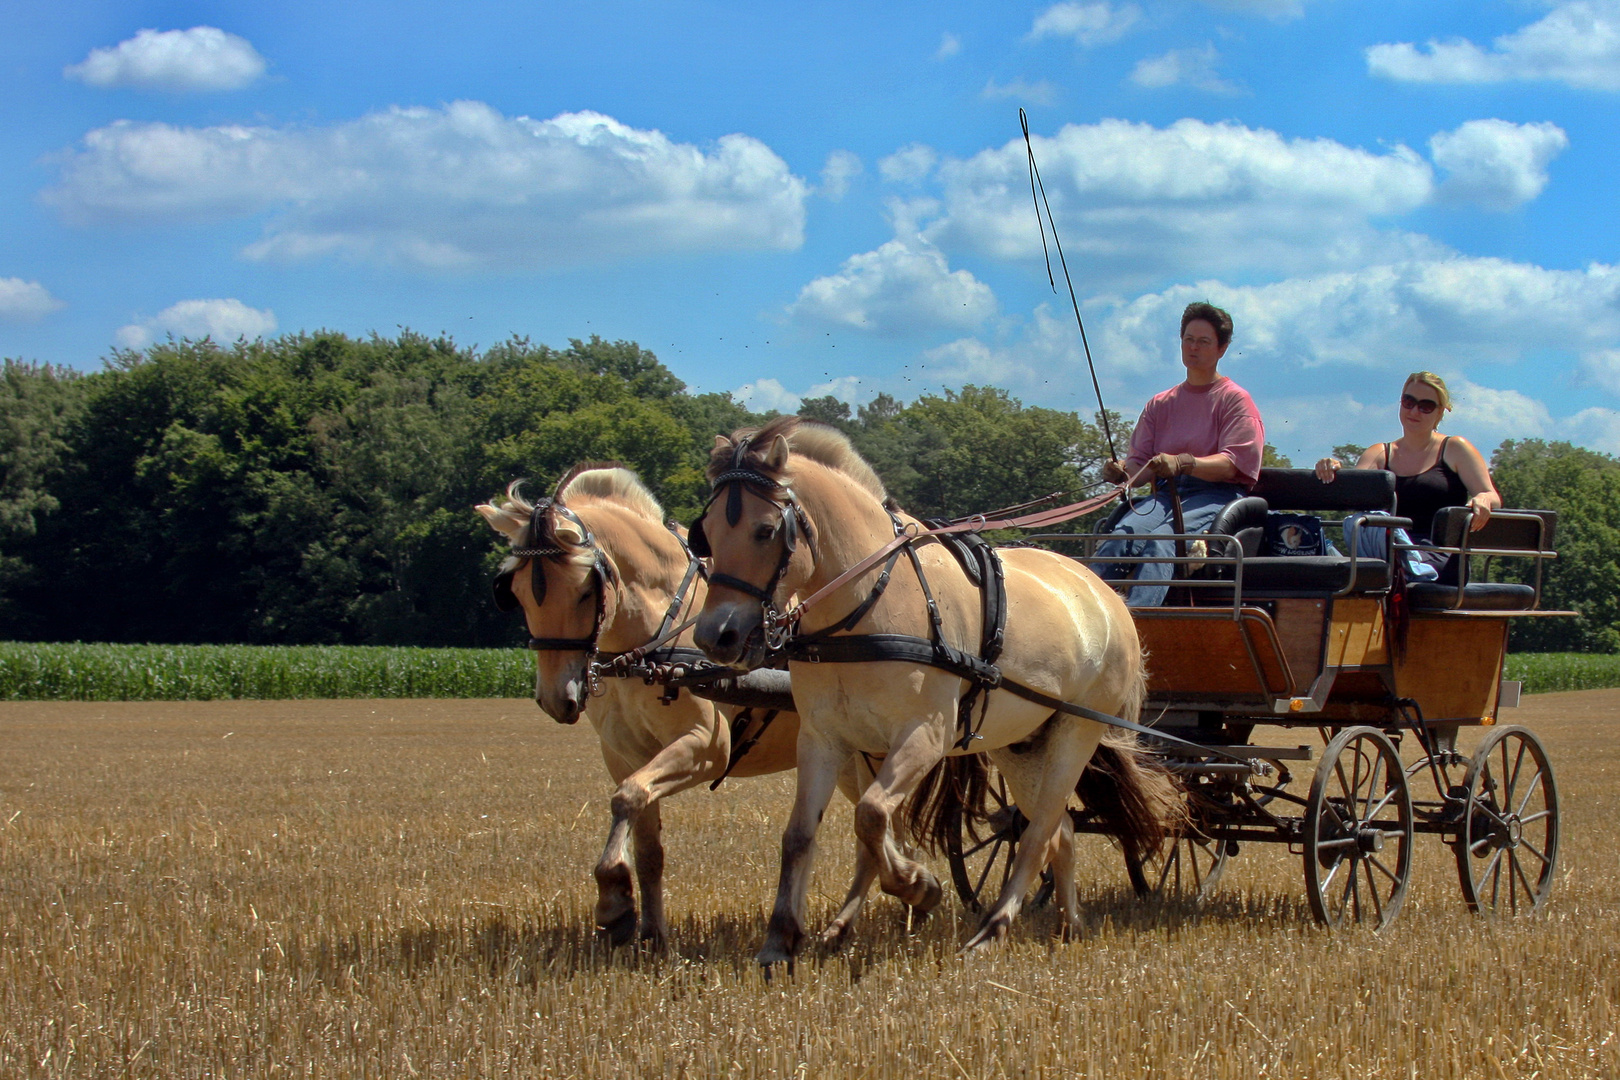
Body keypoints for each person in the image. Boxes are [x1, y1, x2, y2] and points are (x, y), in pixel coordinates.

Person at [1093, 302, 1264, 606]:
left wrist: (1185, 462)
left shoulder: (1235, 400)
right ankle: (1090, 614)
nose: (1193, 347)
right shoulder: (1160, 404)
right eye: (1188, 339)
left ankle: (1138, 625)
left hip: (1215, 496)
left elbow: (1231, 464)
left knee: (1162, 543)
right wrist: (1123, 473)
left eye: (1203, 341)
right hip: (1163, 497)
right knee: (1121, 537)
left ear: (1222, 349)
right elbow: (1140, 466)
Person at [1313, 371, 1501, 583]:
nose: (1414, 411)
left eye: (1426, 406)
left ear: (1440, 412)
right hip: (1387, 551)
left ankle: (1396, 567)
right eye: (1408, 401)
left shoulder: (1456, 448)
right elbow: (1354, 492)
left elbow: (1491, 495)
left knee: (1381, 566)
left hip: (1442, 555)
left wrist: (1483, 499)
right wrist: (1334, 468)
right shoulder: (1379, 453)